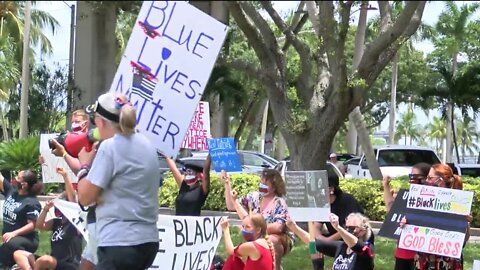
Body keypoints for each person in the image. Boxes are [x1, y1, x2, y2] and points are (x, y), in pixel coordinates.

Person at [77, 92, 160, 270]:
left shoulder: (110, 147)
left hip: (119, 243)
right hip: (148, 241)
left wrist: (84, 166)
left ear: (101, 122)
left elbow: (84, 197)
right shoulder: (148, 145)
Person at [43, 109, 98, 270]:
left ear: (86, 123)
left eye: (78, 119)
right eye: (72, 120)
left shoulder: (93, 142)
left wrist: (66, 152)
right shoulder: (78, 142)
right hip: (78, 200)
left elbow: (82, 168)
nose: (74, 123)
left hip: (87, 199)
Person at [400, 163, 471, 270]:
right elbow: (414, 223)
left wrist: (466, 223)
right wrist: (406, 224)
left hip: (447, 261)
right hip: (424, 259)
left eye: (430, 178)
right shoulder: (422, 198)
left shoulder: (459, 201)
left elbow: (464, 239)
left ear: (440, 179)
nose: (427, 181)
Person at [13, 166, 82, 270]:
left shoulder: (76, 223)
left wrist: (65, 176)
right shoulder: (56, 222)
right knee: (19, 254)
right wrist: (45, 210)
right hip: (52, 262)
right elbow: (40, 225)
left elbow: (72, 199)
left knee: (45, 260)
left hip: (69, 265)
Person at [222, 169, 290, 270]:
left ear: (275, 186)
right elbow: (231, 206)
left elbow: (278, 227)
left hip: (277, 237)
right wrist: (227, 185)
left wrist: (255, 227)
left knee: (272, 240)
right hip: (257, 233)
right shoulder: (254, 197)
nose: (262, 185)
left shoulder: (280, 202)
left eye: (265, 183)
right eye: (261, 182)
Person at [309, 168, 364, 270]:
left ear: (331, 189)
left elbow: (351, 229)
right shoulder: (321, 203)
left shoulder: (347, 200)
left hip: (352, 240)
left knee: (316, 243)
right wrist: (320, 239)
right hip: (334, 240)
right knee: (312, 245)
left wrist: (327, 240)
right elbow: (316, 226)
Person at [383, 162, 431, 270]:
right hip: (404, 250)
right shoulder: (408, 195)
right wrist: (386, 186)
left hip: (422, 251)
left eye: (415, 177)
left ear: (426, 178)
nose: (411, 180)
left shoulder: (431, 198)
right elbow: (391, 210)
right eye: (411, 176)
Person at [287, 212, 374, 270]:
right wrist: (294, 227)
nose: (347, 230)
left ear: (362, 231)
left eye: (351, 228)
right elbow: (314, 243)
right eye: (346, 227)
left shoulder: (367, 249)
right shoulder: (341, 246)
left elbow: (355, 244)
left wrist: (338, 227)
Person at [0, 170, 43, 268]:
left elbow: (32, 225)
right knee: (8, 246)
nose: (15, 179)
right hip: (9, 238)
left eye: (18, 178)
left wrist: (14, 233)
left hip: (27, 239)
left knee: (10, 245)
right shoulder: (11, 192)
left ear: (24, 185)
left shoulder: (32, 202)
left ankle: (35, 261)